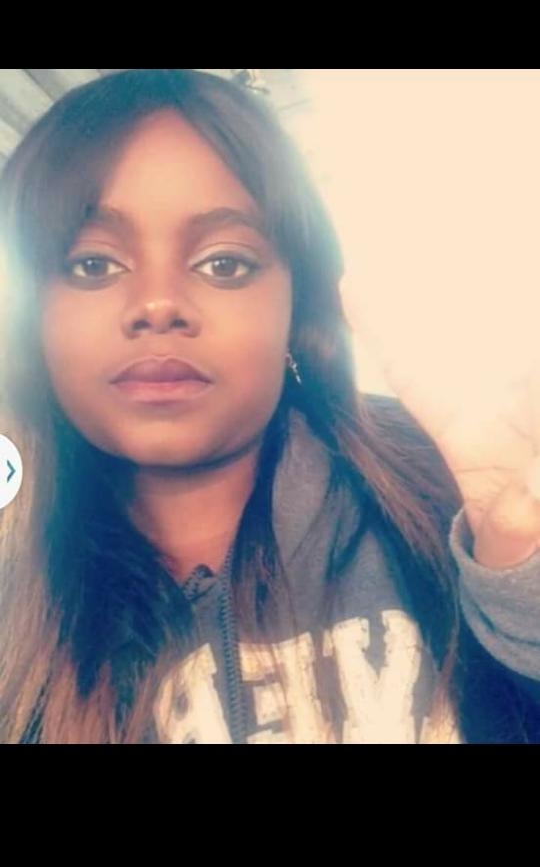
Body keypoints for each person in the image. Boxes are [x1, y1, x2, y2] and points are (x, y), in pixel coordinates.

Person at [0, 68, 539, 744]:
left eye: (224, 263)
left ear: (294, 306)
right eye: (93, 265)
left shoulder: (444, 490)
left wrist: (522, 569)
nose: (158, 304)